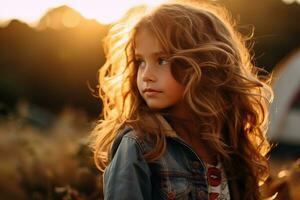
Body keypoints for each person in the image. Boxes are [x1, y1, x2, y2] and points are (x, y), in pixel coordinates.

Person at [89, 1, 274, 199]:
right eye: (140, 62)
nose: (146, 75)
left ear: (204, 64)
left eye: (162, 60)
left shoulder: (231, 147)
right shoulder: (138, 146)